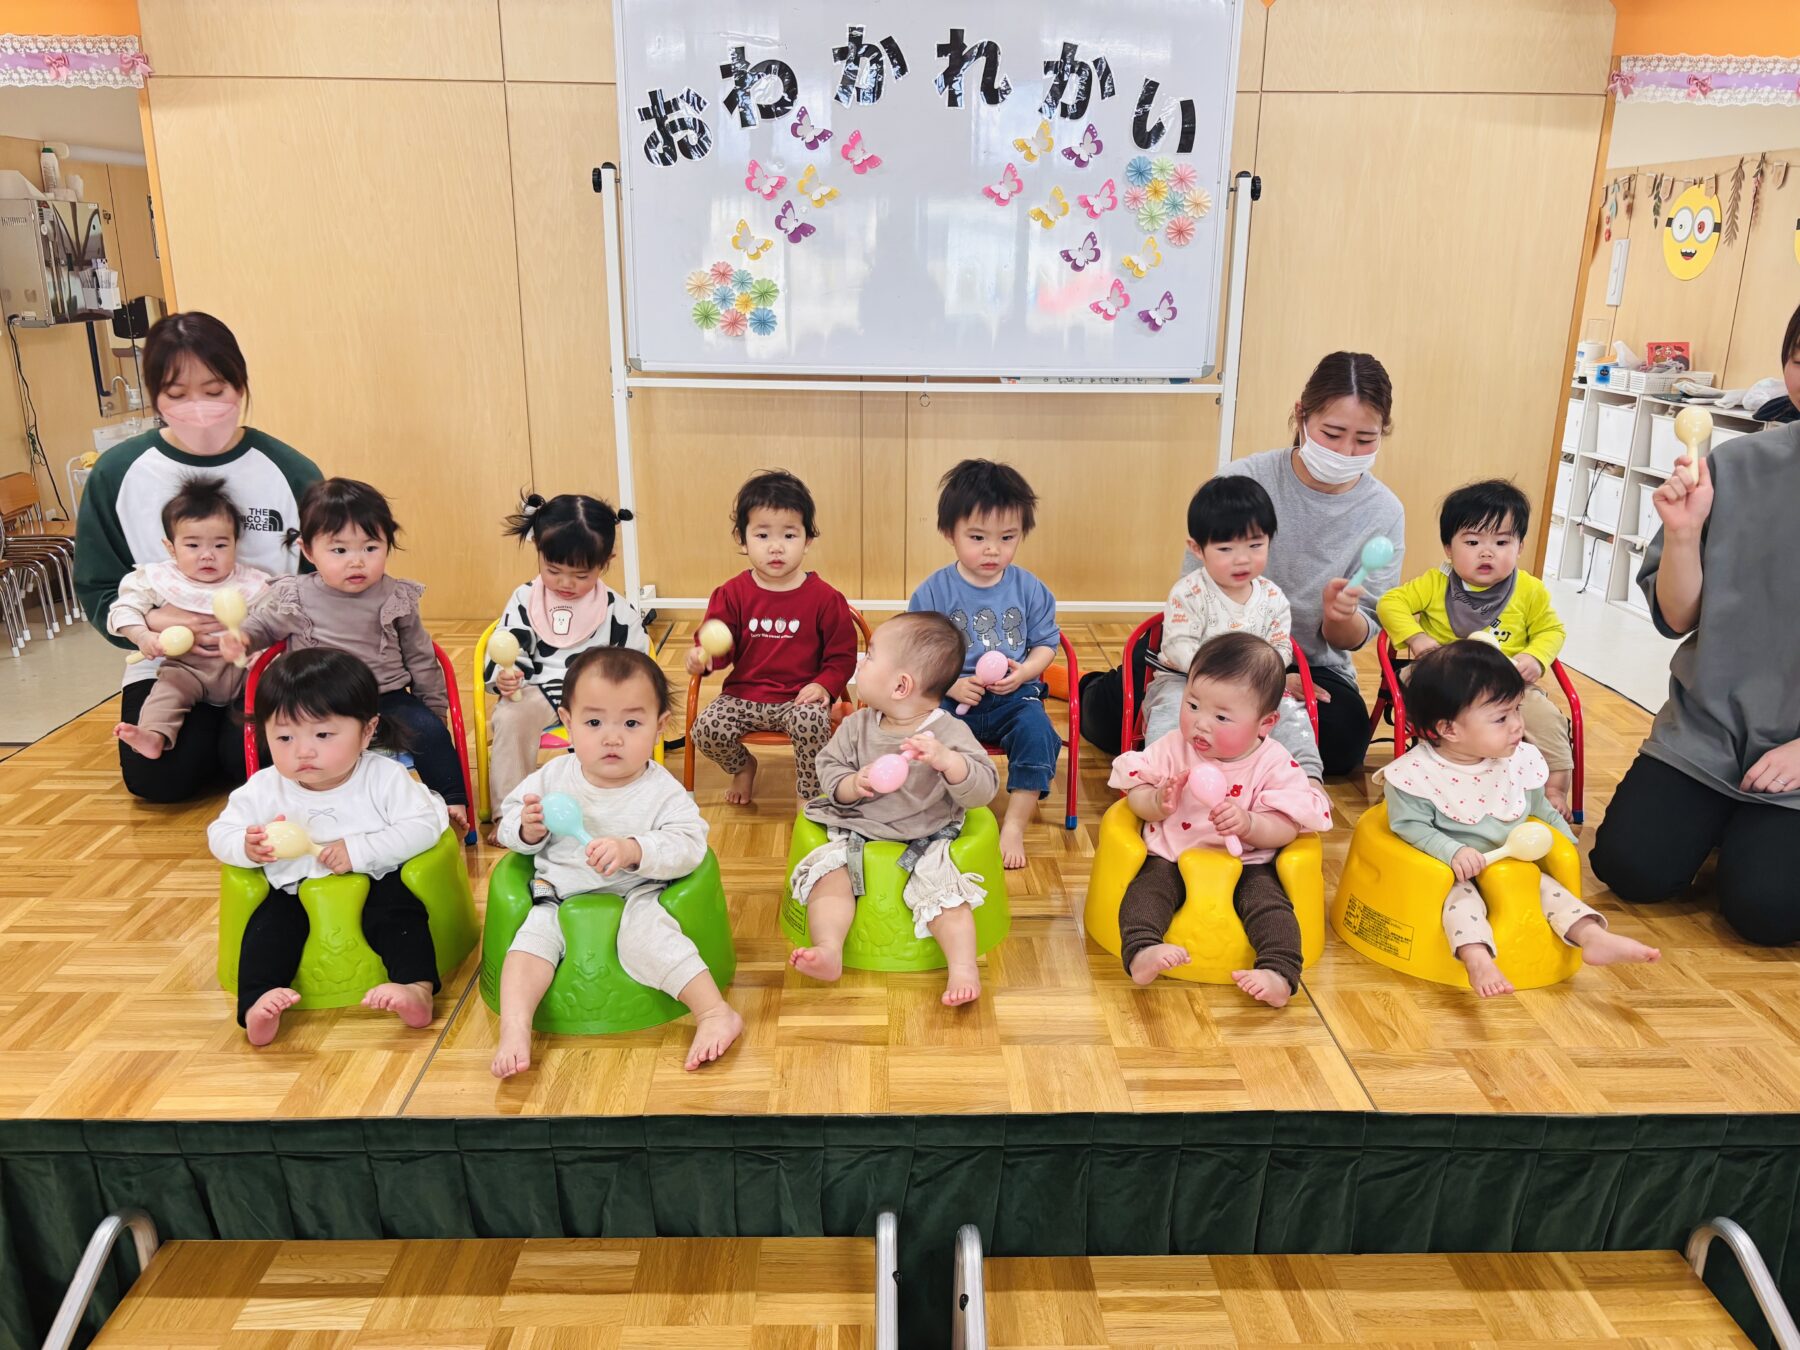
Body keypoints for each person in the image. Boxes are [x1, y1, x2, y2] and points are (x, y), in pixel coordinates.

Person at [1080, 352, 1403, 772]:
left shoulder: (1384, 511)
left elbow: (1354, 638)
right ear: (1301, 416)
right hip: (1206, 649)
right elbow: (1196, 588)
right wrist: (1232, 683)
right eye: (1333, 433)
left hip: (1301, 665)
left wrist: (1339, 617)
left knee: (1341, 743)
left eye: (1365, 439)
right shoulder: (1243, 482)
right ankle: (1092, 685)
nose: (1346, 451)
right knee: (1113, 722)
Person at [1591, 302, 1800, 943]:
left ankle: (1748, 839)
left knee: (1766, 912)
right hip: (1708, 731)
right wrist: (1683, 534)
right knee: (1629, 868)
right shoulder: (1736, 465)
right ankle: (1731, 826)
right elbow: (1677, 616)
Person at [75, 311, 321, 801]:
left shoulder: (290, 471)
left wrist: (264, 629)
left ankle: (223, 743)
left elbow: (323, 579)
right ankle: (202, 741)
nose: (199, 409)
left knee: (251, 760)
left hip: (263, 660)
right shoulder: (118, 472)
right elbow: (99, 586)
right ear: (155, 397)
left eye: (214, 390)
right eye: (177, 394)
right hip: (170, 662)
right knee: (158, 779)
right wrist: (155, 622)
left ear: (240, 385)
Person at [492, 647, 739, 1077]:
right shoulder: (551, 778)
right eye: (594, 723)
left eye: (631, 723)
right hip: (557, 896)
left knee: (650, 939)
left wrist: (635, 849)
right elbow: (510, 822)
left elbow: (689, 843)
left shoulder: (662, 790)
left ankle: (715, 1012)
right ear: (567, 722)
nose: (612, 738)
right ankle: (515, 1028)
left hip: (637, 894)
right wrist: (528, 829)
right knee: (528, 946)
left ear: (659, 727)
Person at [1381, 642, 1659, 996]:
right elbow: (1409, 826)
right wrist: (1452, 851)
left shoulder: (1517, 761)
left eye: (1517, 709)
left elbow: (1538, 807)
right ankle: (1478, 959)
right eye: (1501, 718)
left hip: (1511, 864)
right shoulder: (1417, 775)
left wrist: (1565, 842)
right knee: (1461, 906)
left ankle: (1593, 936)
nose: (1517, 725)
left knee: (1551, 891)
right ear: (1449, 729)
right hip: (1450, 873)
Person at [206, 647, 450, 1045]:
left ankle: (416, 989)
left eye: (322, 735)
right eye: (284, 737)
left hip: (377, 879)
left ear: (367, 731)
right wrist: (246, 847)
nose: (303, 751)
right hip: (293, 888)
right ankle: (256, 1005)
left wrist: (360, 850)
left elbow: (424, 826)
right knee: (267, 931)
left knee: (401, 918)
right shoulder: (265, 787)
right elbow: (221, 832)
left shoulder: (384, 777)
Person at [220, 478, 469, 838]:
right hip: (313, 703)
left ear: (387, 545)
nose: (357, 561)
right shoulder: (297, 595)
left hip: (385, 698)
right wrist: (242, 638)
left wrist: (435, 709)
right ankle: (273, 812)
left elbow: (421, 657)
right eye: (339, 550)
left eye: (371, 547)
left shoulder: (395, 596)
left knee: (428, 732)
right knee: (273, 738)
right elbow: (262, 626)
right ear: (308, 551)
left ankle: (452, 803)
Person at [788, 612, 1001, 1006]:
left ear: (901, 685)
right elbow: (828, 768)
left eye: (869, 656)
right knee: (828, 878)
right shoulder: (857, 726)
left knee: (945, 893)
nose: (861, 663)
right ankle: (829, 948)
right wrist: (852, 784)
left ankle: (962, 967)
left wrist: (949, 762)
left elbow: (984, 789)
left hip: (927, 834)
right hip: (857, 828)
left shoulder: (950, 733)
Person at [1107, 633, 1332, 1006]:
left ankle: (1279, 972)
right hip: (1172, 855)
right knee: (1145, 894)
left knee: (1271, 909)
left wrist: (1250, 825)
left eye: (1222, 717)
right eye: (1192, 705)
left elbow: (1288, 827)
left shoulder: (1274, 763)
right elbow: (1135, 795)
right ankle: (1142, 950)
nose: (1200, 724)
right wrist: (1156, 802)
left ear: (1265, 723)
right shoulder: (1173, 747)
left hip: (1248, 864)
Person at [1376, 479, 1573, 816]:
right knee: (1436, 701)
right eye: (1472, 541)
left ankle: (1552, 788)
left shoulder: (1529, 590)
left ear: (1520, 547)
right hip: (1444, 680)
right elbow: (1389, 603)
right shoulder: (1435, 583)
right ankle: (1438, 781)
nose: (1487, 552)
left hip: (1506, 686)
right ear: (1448, 548)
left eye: (1502, 542)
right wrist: (1417, 638)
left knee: (1544, 716)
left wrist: (1535, 656)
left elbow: (1551, 629)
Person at [908, 459, 1060, 868]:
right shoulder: (934, 591)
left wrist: (1025, 672)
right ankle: (938, 812)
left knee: (1038, 734)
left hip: (1014, 696)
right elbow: (916, 654)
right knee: (920, 735)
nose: (993, 549)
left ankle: (1014, 825)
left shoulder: (1030, 589)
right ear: (950, 533)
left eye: (1007, 537)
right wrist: (949, 683)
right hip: (949, 697)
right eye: (977, 537)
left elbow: (1046, 644)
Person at [687, 471, 859, 804]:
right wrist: (702, 658)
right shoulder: (731, 594)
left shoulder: (825, 598)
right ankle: (743, 766)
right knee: (706, 730)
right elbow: (718, 648)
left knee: (812, 724)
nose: (776, 546)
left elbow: (842, 656)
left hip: (799, 697)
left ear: (807, 540)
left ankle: (810, 795)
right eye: (763, 534)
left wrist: (823, 685)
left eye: (789, 535)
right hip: (743, 695)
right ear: (742, 539)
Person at [483, 493, 648, 824]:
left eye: (581, 575)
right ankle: (511, 815)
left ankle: (611, 808)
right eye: (553, 570)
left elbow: (638, 668)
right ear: (538, 550)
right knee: (511, 717)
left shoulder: (617, 610)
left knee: (623, 725)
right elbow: (507, 646)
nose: (566, 583)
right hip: (536, 690)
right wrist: (506, 676)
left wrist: (623, 698)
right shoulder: (526, 599)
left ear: (606, 561)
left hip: (599, 698)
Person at [1140, 476, 1319, 777]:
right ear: (1197, 549)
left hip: (1252, 688)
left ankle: (1306, 779)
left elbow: (1281, 647)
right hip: (1188, 683)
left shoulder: (1273, 597)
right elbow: (1178, 646)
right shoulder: (1189, 592)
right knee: (1171, 708)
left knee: (1289, 713)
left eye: (1255, 545)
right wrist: (1221, 678)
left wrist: (1263, 677)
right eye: (1225, 549)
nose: (1242, 559)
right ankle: (1160, 778)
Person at [110, 474, 272, 761]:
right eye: (193, 546)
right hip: (187, 668)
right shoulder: (158, 579)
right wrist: (143, 636)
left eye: (220, 546)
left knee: (274, 685)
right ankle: (153, 734)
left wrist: (259, 648)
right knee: (167, 692)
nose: (207, 555)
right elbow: (123, 610)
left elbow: (273, 618)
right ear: (171, 548)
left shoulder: (253, 583)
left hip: (243, 667)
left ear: (236, 544)